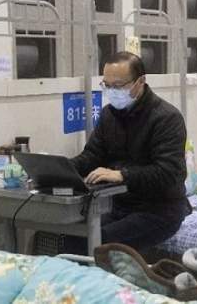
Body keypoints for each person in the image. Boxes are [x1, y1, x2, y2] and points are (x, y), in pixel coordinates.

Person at [70, 51, 190, 251]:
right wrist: (61, 169)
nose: (112, 91)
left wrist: (122, 175)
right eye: (106, 85)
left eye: (118, 86)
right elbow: (92, 156)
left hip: (160, 211)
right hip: (119, 206)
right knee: (70, 235)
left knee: (96, 242)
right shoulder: (109, 115)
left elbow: (168, 173)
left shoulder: (166, 118)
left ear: (140, 81)